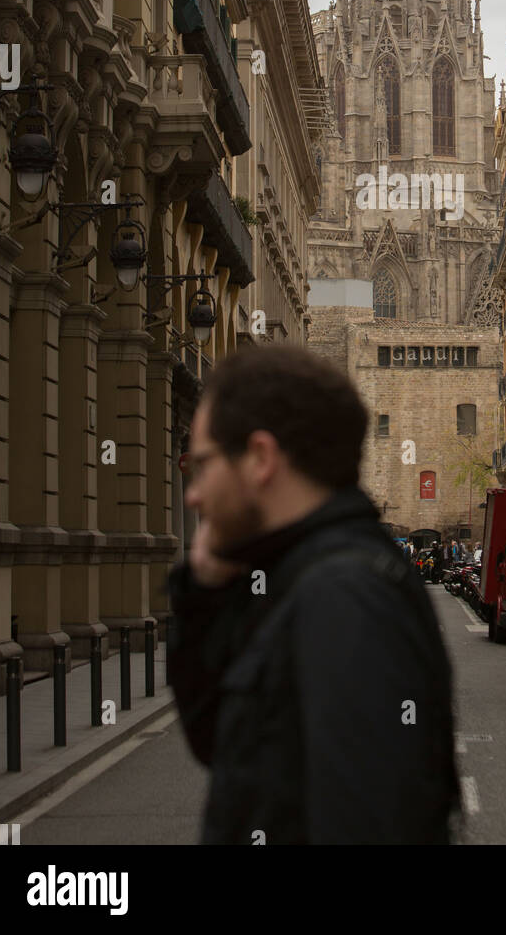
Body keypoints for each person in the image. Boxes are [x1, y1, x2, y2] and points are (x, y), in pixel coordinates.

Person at [167, 344, 460, 845]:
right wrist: (204, 591)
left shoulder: (343, 596)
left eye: (203, 464)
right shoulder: (301, 577)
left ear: (260, 458)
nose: (192, 492)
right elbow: (220, 742)